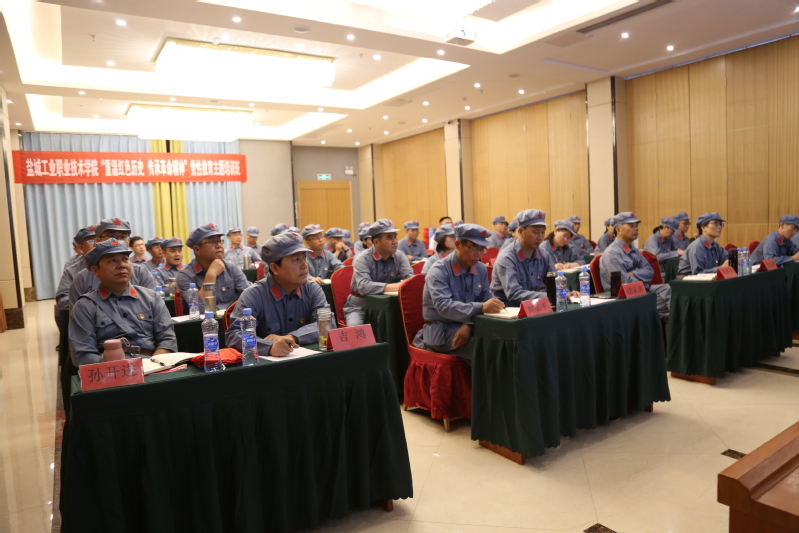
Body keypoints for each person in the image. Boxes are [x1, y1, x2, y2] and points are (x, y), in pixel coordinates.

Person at [68, 239, 177, 366]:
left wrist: (152, 366)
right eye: (112, 261)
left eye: (125, 259)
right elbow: (83, 355)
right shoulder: (84, 306)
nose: (122, 265)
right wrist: (125, 370)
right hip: (110, 372)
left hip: (153, 366)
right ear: (95, 270)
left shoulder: (151, 298)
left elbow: (167, 340)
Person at [226, 232, 330, 357]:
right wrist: (269, 347)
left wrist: (292, 337)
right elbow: (234, 335)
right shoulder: (254, 294)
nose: (304, 265)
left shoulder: (312, 289)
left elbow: (327, 323)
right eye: (296, 259)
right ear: (275, 268)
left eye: (304, 257)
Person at [412, 224, 504, 364]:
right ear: (458, 245)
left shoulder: (480, 269)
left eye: (482, 249)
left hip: (471, 325)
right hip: (442, 330)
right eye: (473, 248)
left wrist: (469, 325)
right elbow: (444, 306)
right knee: (488, 348)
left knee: (505, 341)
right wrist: (481, 308)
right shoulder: (439, 270)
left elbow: (486, 300)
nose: (478, 254)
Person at [492, 209, 578, 306]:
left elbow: (555, 282)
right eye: (535, 232)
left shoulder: (543, 254)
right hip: (509, 310)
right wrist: (551, 296)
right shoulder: (507, 257)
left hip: (536, 306)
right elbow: (514, 294)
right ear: (521, 232)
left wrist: (567, 293)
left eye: (543, 232)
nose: (540, 237)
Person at [68, 218, 157, 307]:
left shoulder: (141, 273)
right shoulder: (82, 279)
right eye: (112, 236)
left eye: (123, 237)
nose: (118, 241)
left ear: (128, 241)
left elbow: (153, 306)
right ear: (98, 241)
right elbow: (79, 312)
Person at [599, 212, 671, 317]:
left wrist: (633, 273)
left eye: (636, 225)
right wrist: (642, 279)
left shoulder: (632, 249)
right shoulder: (612, 253)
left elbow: (650, 271)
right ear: (618, 230)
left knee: (671, 290)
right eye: (631, 226)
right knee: (672, 304)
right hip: (624, 298)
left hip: (641, 291)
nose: (636, 228)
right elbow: (625, 283)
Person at [343, 219, 413, 326]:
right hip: (360, 307)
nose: (395, 241)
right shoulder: (362, 258)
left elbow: (410, 280)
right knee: (357, 332)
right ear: (376, 242)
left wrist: (405, 284)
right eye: (390, 237)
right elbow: (363, 286)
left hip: (390, 307)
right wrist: (397, 286)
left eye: (395, 236)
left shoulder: (399, 256)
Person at [176, 223, 251, 314]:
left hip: (231, 319)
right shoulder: (185, 275)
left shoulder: (230, 267)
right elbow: (200, 310)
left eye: (220, 241)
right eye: (212, 242)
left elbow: (250, 297)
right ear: (197, 250)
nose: (219, 245)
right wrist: (211, 275)